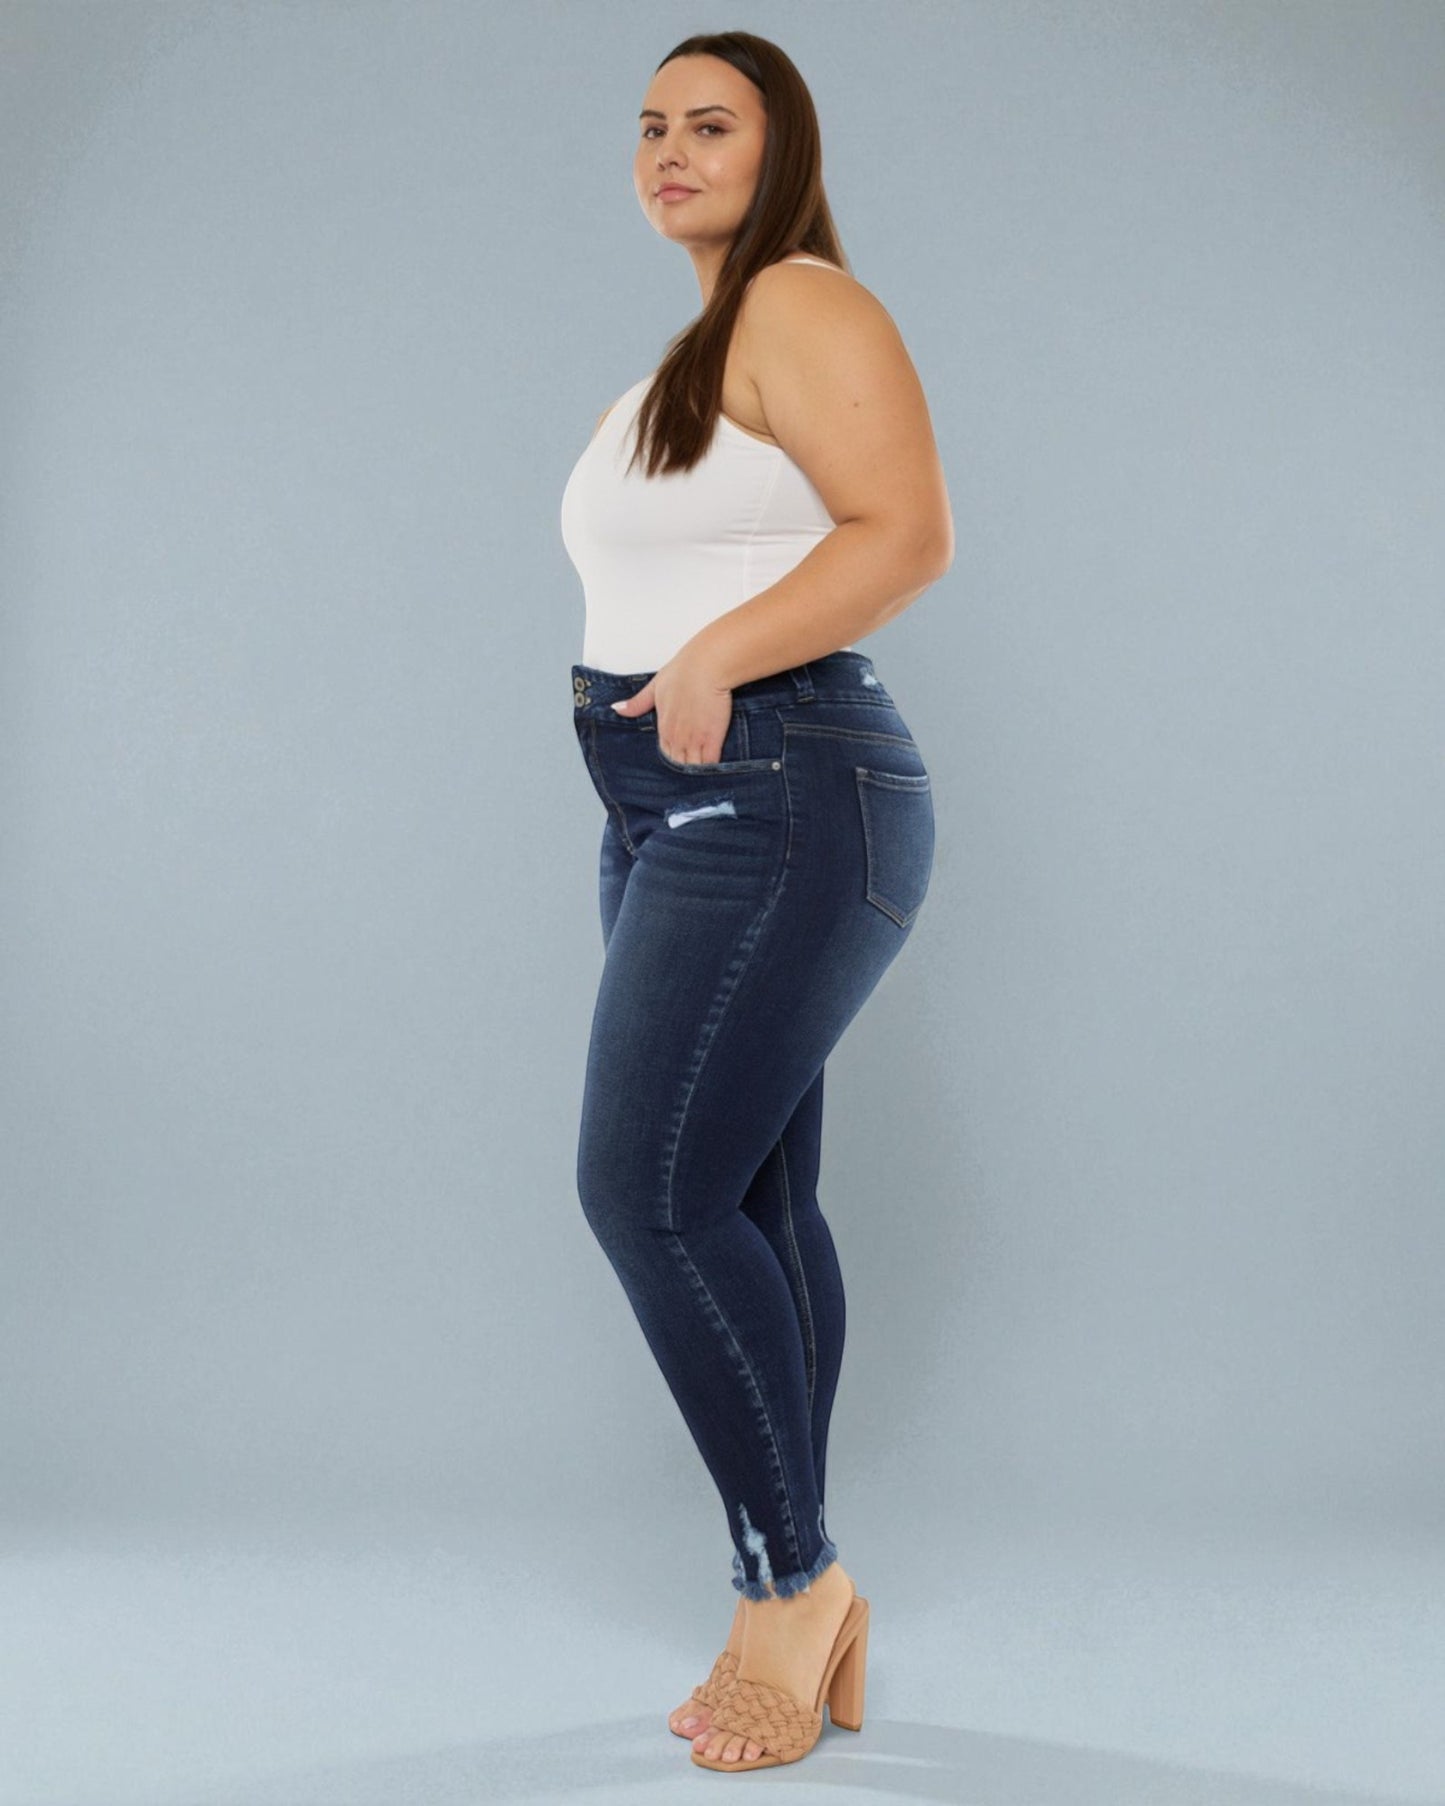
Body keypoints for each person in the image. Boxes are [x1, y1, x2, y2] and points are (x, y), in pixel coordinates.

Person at [559, 30, 953, 1774]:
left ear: (780, 149)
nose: (668, 149)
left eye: (709, 124)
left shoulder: (804, 302)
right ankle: (793, 1578)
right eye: (650, 125)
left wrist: (717, 650)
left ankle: (789, 1581)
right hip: (671, 799)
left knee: (647, 1192)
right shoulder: (698, 347)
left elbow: (904, 532)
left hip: (778, 786)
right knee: (749, 1194)